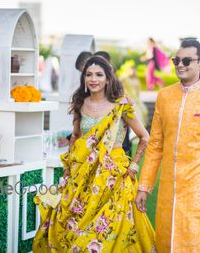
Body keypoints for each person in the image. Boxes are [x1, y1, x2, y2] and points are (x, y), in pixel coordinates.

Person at [33, 55, 156, 252]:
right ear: (83, 78)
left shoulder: (121, 105)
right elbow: (75, 138)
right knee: (75, 224)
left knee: (112, 228)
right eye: (89, 75)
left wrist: (133, 166)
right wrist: (68, 171)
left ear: (108, 78)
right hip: (82, 175)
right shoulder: (80, 103)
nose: (93, 79)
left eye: (99, 75)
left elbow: (145, 137)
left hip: (113, 176)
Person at [135, 39, 200, 252]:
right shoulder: (165, 96)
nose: (180, 65)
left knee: (196, 241)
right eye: (176, 60)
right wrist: (144, 186)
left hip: (199, 189)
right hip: (168, 188)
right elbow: (155, 145)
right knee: (166, 239)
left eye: (186, 60)